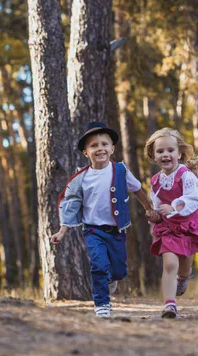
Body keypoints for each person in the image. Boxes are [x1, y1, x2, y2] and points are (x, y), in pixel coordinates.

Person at [51, 121, 157, 318]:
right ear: (86, 152)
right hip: (93, 230)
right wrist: (62, 231)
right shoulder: (81, 178)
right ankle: (102, 305)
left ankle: (110, 280)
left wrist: (149, 207)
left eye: (104, 144)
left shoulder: (120, 170)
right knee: (98, 265)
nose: (100, 148)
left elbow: (136, 190)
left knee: (118, 271)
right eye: (94, 145)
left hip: (116, 231)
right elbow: (70, 205)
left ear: (112, 148)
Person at [144, 127, 198, 319]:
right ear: (153, 156)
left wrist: (175, 208)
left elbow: (194, 199)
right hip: (169, 228)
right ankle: (170, 305)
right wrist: (156, 214)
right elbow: (158, 203)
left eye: (170, 150)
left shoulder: (186, 175)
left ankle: (183, 279)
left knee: (184, 268)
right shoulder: (155, 181)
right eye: (160, 151)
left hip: (187, 225)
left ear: (179, 153)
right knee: (169, 263)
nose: (165, 155)